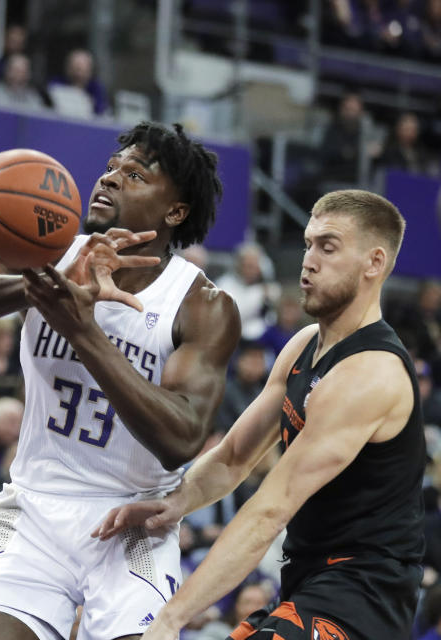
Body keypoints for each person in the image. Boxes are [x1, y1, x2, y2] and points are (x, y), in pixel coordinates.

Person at [0, 121, 238, 640]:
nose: (109, 179)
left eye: (135, 175)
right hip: (36, 505)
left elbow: (181, 439)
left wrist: (83, 330)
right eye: (111, 168)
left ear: (175, 211)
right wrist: (38, 286)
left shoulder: (201, 305)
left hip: (133, 523)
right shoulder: (48, 255)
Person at [95, 190, 425, 640]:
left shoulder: (370, 374)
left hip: (364, 597)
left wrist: (171, 618)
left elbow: (270, 510)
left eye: (328, 247)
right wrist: (177, 502)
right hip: (308, 584)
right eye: (308, 244)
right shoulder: (304, 344)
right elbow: (233, 456)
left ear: (374, 263)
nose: (308, 261)